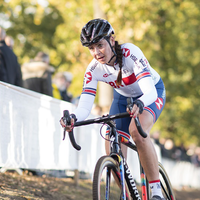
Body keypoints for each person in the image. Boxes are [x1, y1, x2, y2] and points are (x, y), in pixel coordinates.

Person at [60, 19, 166, 200]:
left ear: (112, 39)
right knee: (111, 142)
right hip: (122, 98)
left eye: (100, 45)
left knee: (137, 131)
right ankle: (127, 194)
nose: (96, 53)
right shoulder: (93, 69)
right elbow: (85, 106)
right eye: (91, 48)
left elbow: (148, 92)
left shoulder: (130, 53)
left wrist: (140, 103)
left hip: (150, 93)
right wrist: (73, 118)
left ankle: (156, 192)